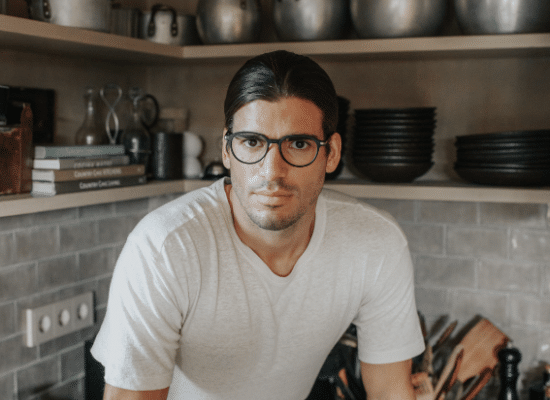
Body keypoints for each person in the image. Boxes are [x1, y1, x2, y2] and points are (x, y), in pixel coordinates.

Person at [91, 50, 425, 400]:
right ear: (225, 150)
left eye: (298, 144)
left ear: (332, 153)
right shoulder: (164, 249)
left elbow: (390, 392)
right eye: (252, 142)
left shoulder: (376, 244)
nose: (271, 172)